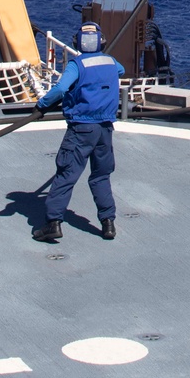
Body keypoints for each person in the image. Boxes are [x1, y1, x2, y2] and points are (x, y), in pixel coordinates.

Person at [31, 22, 125, 244]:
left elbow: (61, 89)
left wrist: (42, 105)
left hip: (81, 128)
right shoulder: (110, 62)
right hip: (105, 129)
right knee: (101, 176)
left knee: (66, 174)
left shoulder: (76, 65)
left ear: (77, 42)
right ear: (102, 41)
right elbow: (120, 70)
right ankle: (108, 222)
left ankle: (53, 223)